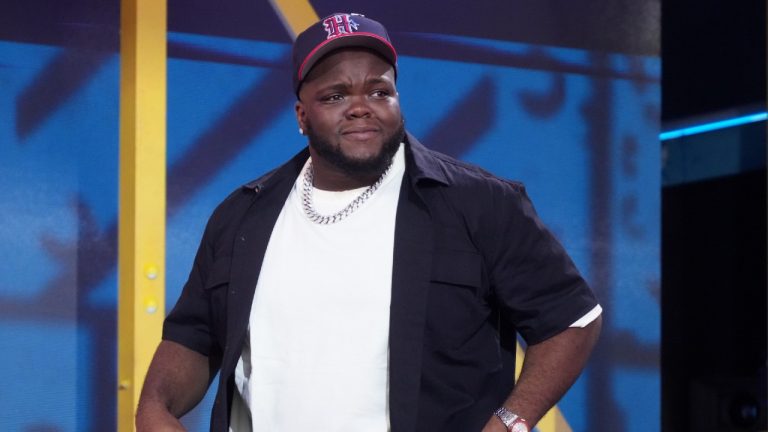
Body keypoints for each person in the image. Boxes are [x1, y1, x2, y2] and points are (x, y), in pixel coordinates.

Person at [136, 12, 602, 432]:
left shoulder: (479, 202)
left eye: (379, 90)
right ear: (302, 115)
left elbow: (573, 320)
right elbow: (194, 338)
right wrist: (153, 408)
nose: (361, 106)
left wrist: (510, 423)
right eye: (335, 95)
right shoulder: (242, 216)